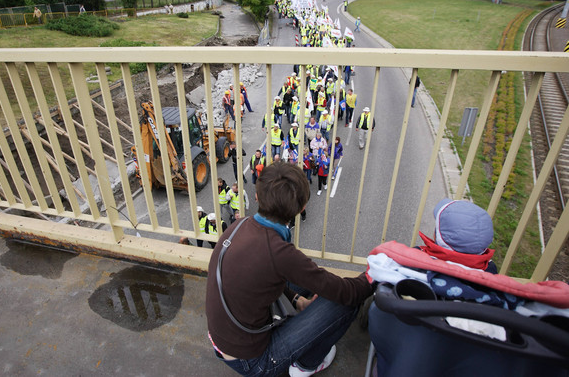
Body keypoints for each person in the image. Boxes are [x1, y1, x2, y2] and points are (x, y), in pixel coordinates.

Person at [205, 162, 372, 377]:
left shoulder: (239, 226)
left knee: (302, 275)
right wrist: (374, 276)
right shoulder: (280, 252)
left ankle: (297, 316)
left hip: (224, 341)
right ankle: (307, 364)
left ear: (257, 196)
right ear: (301, 208)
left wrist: (296, 300)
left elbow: (266, 275)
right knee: (344, 303)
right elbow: (346, 292)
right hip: (254, 362)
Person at [367, 199, 509, 376]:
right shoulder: (490, 276)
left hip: (402, 345)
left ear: (440, 235)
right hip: (454, 357)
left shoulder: (415, 261)